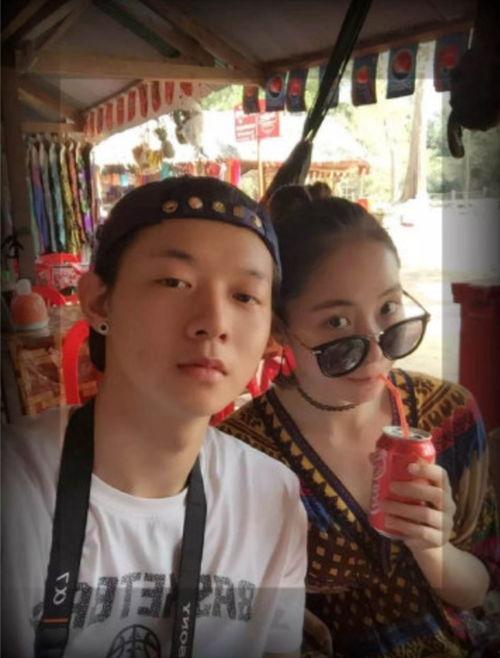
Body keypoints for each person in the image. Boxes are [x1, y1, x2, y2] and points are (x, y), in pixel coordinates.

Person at [1, 176, 308, 658]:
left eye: (245, 296)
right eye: (174, 281)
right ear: (99, 301)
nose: (214, 322)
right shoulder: (17, 492)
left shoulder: (272, 498)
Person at [221, 185, 500, 658]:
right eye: (336, 323)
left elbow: (478, 589)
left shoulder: (449, 414)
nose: (375, 354)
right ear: (280, 328)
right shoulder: (239, 455)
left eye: (388, 309)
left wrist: (432, 548)